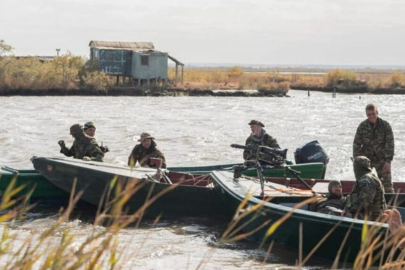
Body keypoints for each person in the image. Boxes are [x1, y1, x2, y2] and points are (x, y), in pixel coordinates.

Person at [353, 103, 394, 193]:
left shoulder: (385, 125)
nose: (371, 116)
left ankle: (391, 203)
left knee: (387, 186)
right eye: (369, 114)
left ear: (377, 112)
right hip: (366, 160)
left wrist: (388, 161)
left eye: (373, 114)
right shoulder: (362, 126)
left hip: (382, 159)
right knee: (363, 184)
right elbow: (356, 143)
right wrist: (357, 161)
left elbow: (390, 144)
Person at [344, 156, 386, 220]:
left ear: (357, 168)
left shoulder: (366, 180)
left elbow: (365, 200)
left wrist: (350, 210)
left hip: (371, 218)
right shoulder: (367, 178)